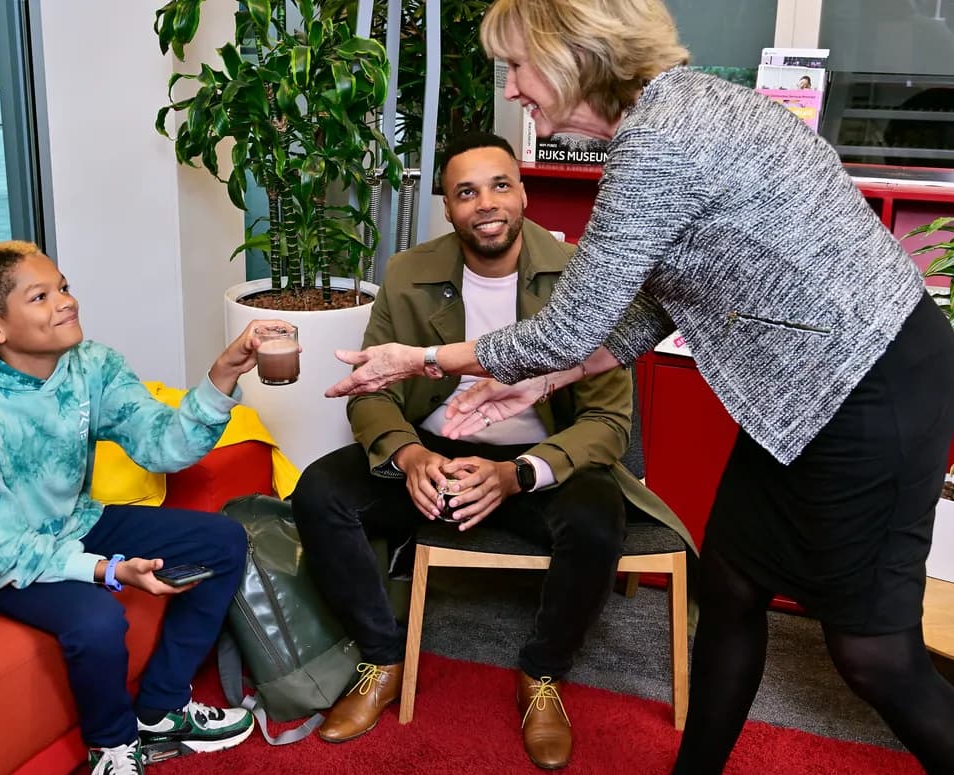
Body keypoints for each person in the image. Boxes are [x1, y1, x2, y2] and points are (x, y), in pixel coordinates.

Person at [323, 0, 954, 773]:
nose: (511, 89)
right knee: (735, 584)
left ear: (573, 54)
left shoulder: (658, 139)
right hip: (801, 399)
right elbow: (652, 298)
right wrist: (547, 377)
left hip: (870, 390)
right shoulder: (681, 107)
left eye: (516, 65)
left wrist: (422, 360)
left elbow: (568, 325)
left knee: (875, 656)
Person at [293, 133, 693, 770]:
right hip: (439, 460)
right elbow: (372, 392)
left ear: (525, 194)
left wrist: (516, 476)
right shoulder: (407, 275)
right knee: (320, 492)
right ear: (448, 210)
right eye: (466, 192)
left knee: (597, 518)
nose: (486, 203)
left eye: (500, 185)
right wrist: (409, 457)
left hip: (543, 464)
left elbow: (608, 421)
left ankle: (542, 674)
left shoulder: (584, 278)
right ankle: (381, 657)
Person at [0, 240, 287, 775]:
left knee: (222, 540)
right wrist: (109, 571)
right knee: (97, 619)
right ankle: (112, 748)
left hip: (76, 524)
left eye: (64, 287)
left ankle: (161, 707)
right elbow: (0, 553)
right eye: (40, 296)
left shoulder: (90, 364)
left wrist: (221, 377)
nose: (66, 302)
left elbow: (161, 445)